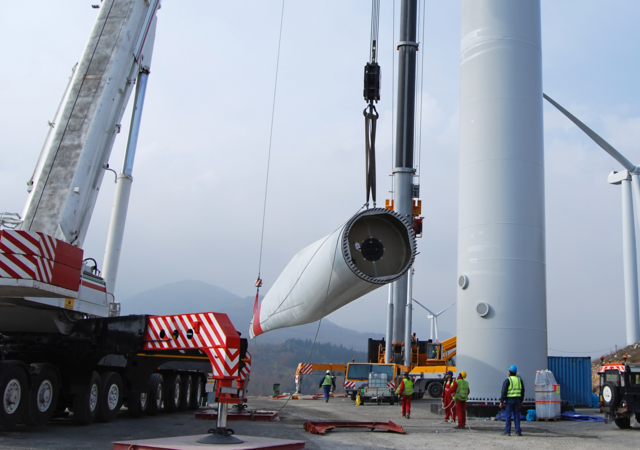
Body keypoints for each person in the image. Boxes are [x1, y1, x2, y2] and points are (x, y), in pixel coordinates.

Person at [499, 365, 525, 436]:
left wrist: (501, 401)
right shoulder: (519, 380)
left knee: (508, 415)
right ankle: (518, 431)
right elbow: (522, 391)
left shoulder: (508, 380)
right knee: (517, 415)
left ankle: (507, 431)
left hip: (509, 400)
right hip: (517, 400)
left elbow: (504, 391)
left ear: (510, 372)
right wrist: (521, 401)